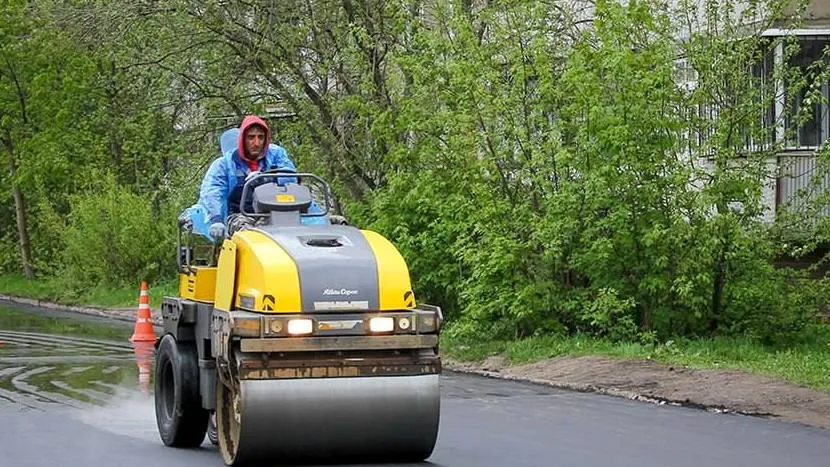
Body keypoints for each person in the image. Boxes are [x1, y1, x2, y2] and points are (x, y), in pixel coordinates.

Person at [179, 115, 325, 241]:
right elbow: (213, 193)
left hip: (278, 213)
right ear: (242, 139)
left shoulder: (276, 155)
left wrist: (266, 179)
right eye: (251, 137)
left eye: (260, 137)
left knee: (318, 229)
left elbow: (290, 178)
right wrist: (217, 220)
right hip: (240, 214)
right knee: (249, 237)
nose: (256, 143)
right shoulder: (224, 165)